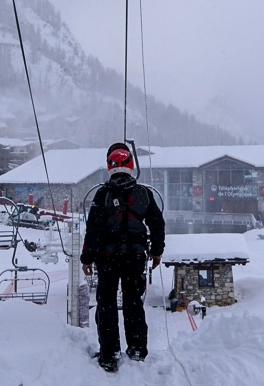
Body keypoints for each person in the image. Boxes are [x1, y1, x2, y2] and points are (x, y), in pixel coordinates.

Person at [80, 142, 165, 373]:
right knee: (133, 303)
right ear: (131, 166)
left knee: (106, 304)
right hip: (135, 258)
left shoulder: (103, 195)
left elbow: (94, 230)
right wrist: (157, 252)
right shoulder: (143, 194)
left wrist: (87, 258)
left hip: (107, 259)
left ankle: (109, 354)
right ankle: (137, 349)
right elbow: (157, 224)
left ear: (110, 167)